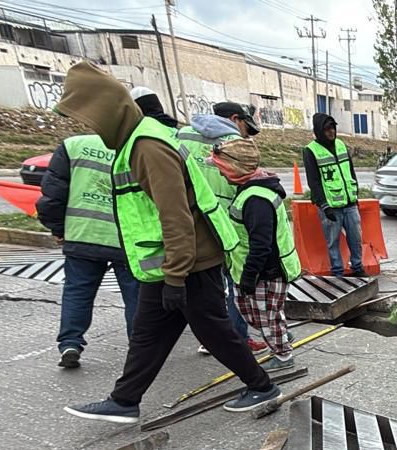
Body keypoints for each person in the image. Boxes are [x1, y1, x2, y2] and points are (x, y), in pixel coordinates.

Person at [56, 62, 278, 423]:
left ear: (107, 112)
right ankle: (125, 400)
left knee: (215, 332)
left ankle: (262, 386)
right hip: (167, 263)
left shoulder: (148, 147)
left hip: (188, 263)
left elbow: (175, 216)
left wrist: (175, 276)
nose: (89, 128)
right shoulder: (137, 141)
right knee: (148, 335)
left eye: (89, 119)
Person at [36, 131, 140, 369]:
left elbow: (52, 194)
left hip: (82, 233)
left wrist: (58, 228)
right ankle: (139, 349)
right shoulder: (133, 145)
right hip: (125, 239)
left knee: (77, 292)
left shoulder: (74, 145)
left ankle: (70, 343)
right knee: (135, 296)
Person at [176, 101, 262, 351]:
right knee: (235, 281)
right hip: (227, 223)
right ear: (236, 119)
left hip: (192, 221)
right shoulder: (235, 142)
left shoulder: (182, 135)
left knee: (206, 286)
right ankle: (237, 339)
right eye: (247, 127)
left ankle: (211, 339)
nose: (247, 134)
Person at [212, 137, 301, 370]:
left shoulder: (256, 199)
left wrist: (250, 276)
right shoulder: (249, 190)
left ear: (236, 168)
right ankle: (280, 336)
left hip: (266, 272)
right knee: (259, 314)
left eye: (222, 168)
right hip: (254, 270)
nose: (221, 174)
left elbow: (261, 245)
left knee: (266, 316)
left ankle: (283, 356)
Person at [302, 112, 365, 278]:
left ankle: (357, 267)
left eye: (333, 128)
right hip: (331, 207)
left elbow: (350, 171)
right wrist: (324, 204)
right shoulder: (311, 151)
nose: (331, 132)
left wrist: (355, 194)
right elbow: (313, 181)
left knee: (356, 239)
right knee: (333, 242)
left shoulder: (341, 145)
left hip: (349, 203)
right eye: (327, 129)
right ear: (319, 131)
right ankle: (337, 272)